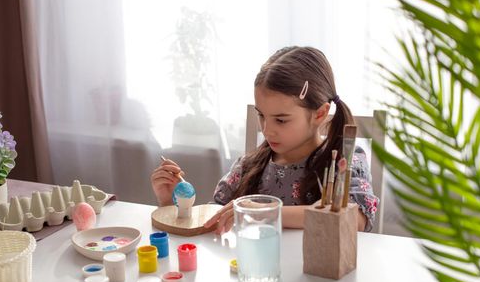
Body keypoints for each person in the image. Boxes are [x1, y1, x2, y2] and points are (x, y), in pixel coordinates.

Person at [151, 46, 378, 234]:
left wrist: (263, 212)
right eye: (261, 115)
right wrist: (174, 205)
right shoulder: (250, 165)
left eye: (280, 120)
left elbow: (354, 218)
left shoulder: (345, 160)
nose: (267, 130)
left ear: (319, 114)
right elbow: (216, 222)